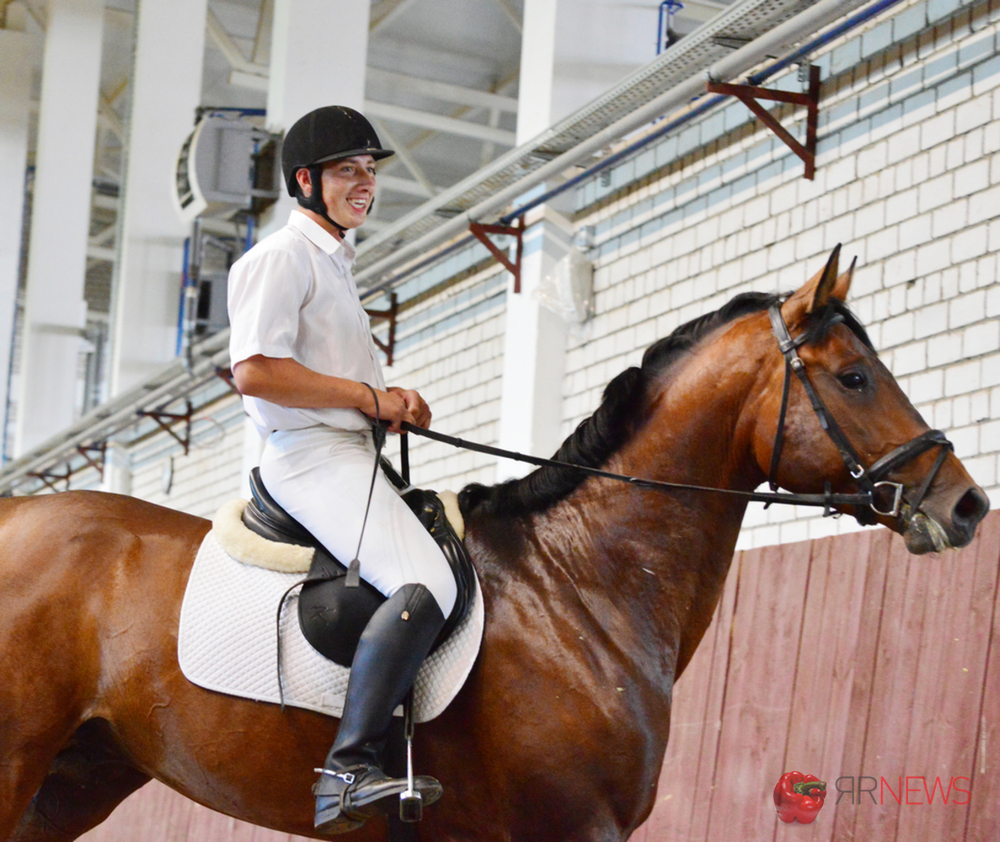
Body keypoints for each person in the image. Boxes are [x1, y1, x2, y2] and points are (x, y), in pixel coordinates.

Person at [227, 105, 457, 833]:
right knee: (429, 583)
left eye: (370, 171)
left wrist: (388, 405)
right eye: (347, 172)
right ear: (305, 181)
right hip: (310, 459)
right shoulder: (281, 257)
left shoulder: (333, 261)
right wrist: (367, 397)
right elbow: (256, 372)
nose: (365, 184)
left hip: (349, 451)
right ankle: (347, 768)